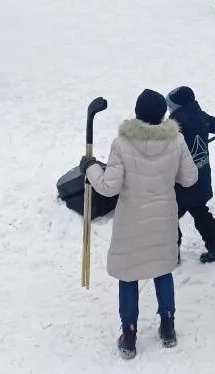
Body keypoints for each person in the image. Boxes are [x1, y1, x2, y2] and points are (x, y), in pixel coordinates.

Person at [83, 89, 198, 358]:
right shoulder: (177, 140)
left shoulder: (122, 144)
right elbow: (189, 178)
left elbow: (108, 188)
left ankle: (129, 334)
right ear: (162, 115)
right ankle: (168, 326)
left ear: (137, 115)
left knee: (128, 275)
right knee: (162, 269)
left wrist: (89, 167)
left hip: (131, 222)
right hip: (164, 217)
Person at [166, 85, 215, 264]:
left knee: (169, 219)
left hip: (181, 184)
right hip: (201, 181)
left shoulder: (173, 127)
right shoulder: (202, 117)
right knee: (201, 214)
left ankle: (171, 256)